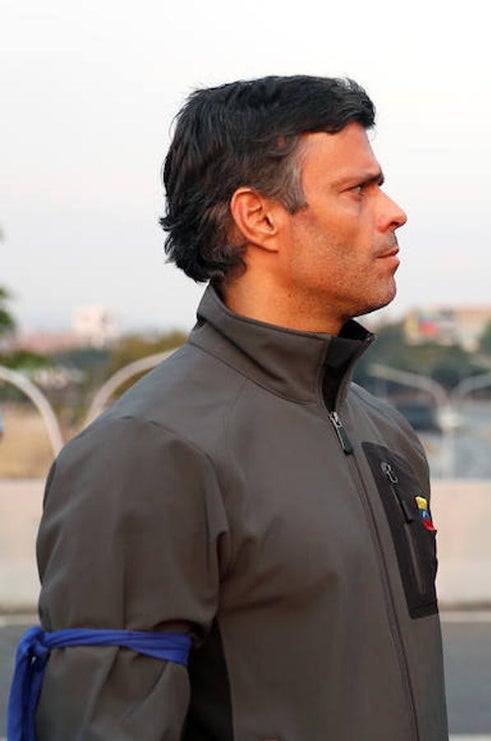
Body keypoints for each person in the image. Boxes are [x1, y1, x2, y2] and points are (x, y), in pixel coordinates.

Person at [10, 76, 447, 740]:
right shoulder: (148, 449)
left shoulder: (386, 433)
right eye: (357, 190)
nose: (392, 211)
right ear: (259, 217)